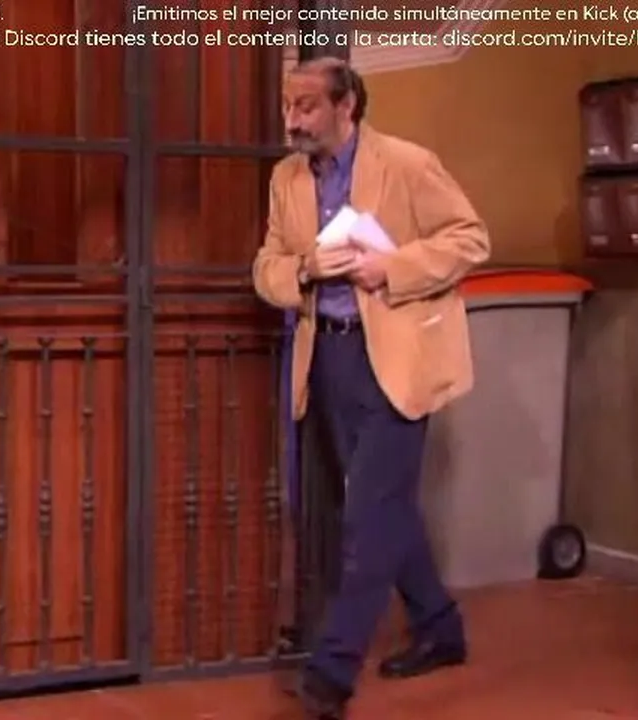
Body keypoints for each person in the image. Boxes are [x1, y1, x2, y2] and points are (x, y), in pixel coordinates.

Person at [252, 56, 491, 719]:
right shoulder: (286, 178)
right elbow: (267, 266)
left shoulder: (408, 164)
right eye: (288, 106)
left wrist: (394, 267)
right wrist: (304, 268)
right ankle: (440, 628)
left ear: (346, 106)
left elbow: (471, 239)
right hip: (325, 358)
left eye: (306, 106)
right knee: (382, 509)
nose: (293, 120)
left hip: (395, 358)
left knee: (368, 517)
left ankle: (331, 675)